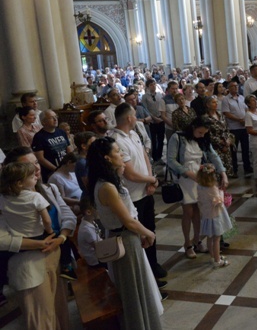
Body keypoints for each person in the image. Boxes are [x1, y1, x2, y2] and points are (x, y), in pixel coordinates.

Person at [87, 137, 163, 329]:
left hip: (127, 237)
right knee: (133, 290)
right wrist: (149, 233)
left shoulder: (108, 181)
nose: (122, 155)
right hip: (125, 240)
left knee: (139, 285)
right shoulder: (106, 187)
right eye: (117, 152)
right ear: (107, 158)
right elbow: (128, 220)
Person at [1, 147, 76, 329]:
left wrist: (62, 238)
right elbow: (2, 238)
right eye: (28, 165)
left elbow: (68, 216)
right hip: (28, 264)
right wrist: (38, 244)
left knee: (60, 313)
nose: (36, 168)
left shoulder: (48, 189)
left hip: (54, 257)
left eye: (35, 162)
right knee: (41, 321)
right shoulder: (6, 199)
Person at [111, 103, 167, 280]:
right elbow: (130, 174)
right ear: (129, 118)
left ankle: (153, 263)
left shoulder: (134, 133)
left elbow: (145, 157)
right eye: (134, 115)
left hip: (146, 191)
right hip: (133, 196)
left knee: (150, 228)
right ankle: (145, 272)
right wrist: (151, 180)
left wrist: (151, 179)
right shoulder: (116, 141)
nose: (136, 118)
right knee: (140, 234)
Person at [167, 116, 227, 259]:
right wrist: (187, 173)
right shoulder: (178, 137)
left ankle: (197, 240)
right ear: (193, 127)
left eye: (204, 133)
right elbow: (171, 160)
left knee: (199, 211)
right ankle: (187, 243)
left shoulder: (202, 139)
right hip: (184, 178)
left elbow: (213, 156)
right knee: (188, 211)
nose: (202, 135)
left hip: (201, 179)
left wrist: (223, 173)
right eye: (200, 132)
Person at [196, 164, 232, 268]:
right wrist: (221, 193)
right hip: (215, 216)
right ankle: (217, 260)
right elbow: (218, 202)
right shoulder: (212, 188)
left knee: (209, 237)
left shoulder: (199, 186)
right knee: (216, 239)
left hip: (206, 215)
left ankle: (213, 256)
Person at [221, 80, 253, 178]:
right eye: (233, 86)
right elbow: (226, 113)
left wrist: (246, 118)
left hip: (243, 127)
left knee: (245, 148)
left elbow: (246, 109)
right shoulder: (226, 100)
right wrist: (239, 120)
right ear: (229, 88)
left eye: (236, 86)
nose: (235, 87)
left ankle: (247, 167)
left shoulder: (242, 98)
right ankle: (234, 169)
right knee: (233, 150)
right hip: (233, 128)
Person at [31, 110, 73, 182]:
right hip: (51, 172)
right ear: (43, 122)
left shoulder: (61, 132)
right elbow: (40, 158)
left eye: (56, 117)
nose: (55, 119)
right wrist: (56, 169)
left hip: (66, 167)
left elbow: (69, 150)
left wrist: (70, 164)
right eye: (51, 117)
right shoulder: (39, 137)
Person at [205, 95, 235, 177]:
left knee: (227, 170)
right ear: (208, 105)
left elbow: (226, 129)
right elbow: (207, 134)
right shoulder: (205, 118)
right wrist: (221, 142)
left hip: (226, 145)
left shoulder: (221, 115)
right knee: (218, 171)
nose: (216, 104)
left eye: (216, 102)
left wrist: (228, 140)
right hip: (216, 147)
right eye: (213, 102)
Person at [75, 197, 105, 269]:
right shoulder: (87, 230)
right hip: (96, 260)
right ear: (88, 212)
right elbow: (99, 247)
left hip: (98, 251)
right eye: (97, 208)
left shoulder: (90, 221)